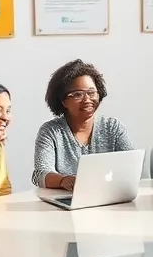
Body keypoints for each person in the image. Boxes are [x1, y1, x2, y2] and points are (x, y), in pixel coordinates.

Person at [33, 60, 133, 190]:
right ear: (63, 101)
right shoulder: (51, 132)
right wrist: (63, 180)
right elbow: (41, 174)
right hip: (65, 202)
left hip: (110, 199)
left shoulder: (113, 128)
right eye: (77, 95)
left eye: (91, 93)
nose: (87, 100)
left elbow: (131, 166)